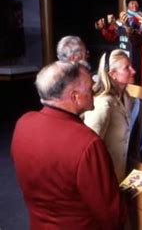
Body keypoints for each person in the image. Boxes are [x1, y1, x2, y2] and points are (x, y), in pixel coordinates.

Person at [11, 61, 127, 229]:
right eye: (90, 88)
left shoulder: (23, 123)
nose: (95, 90)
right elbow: (110, 214)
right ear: (75, 97)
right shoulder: (88, 143)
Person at [84, 49, 138, 182]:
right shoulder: (102, 104)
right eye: (127, 68)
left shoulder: (126, 97)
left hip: (119, 177)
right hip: (103, 182)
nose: (133, 71)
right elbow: (87, 151)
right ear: (113, 74)